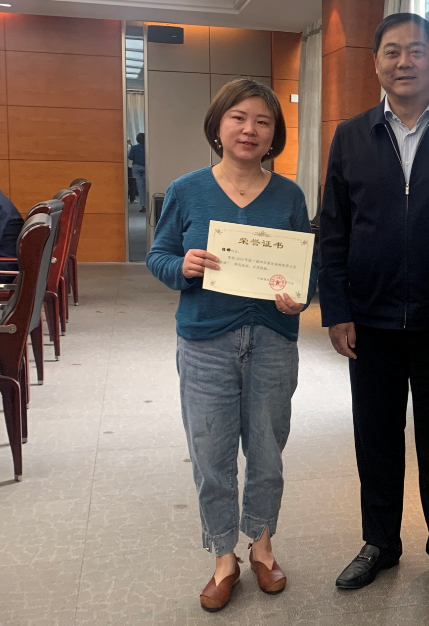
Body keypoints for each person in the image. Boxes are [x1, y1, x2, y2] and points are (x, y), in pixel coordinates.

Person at [319, 13, 429, 602]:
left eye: (416, 51)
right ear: (376, 62)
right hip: (369, 320)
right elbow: (334, 230)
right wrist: (336, 308)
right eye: (392, 51)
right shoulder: (351, 136)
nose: (404, 62)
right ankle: (379, 542)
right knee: (375, 438)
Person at [146, 78, 317, 612]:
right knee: (211, 454)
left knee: (267, 451)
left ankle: (261, 545)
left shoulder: (289, 195)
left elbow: (306, 269)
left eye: (263, 122)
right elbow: (158, 257)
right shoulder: (187, 190)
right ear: (218, 126)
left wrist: (301, 297)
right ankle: (223, 556)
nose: (250, 130)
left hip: (272, 341)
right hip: (206, 340)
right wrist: (182, 266)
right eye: (238, 118)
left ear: (274, 135)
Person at [128, 133, 147, 212]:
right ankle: (149, 204)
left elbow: (130, 157)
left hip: (136, 167)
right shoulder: (147, 147)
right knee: (147, 186)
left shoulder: (134, 147)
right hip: (146, 167)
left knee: (140, 187)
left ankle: (143, 206)